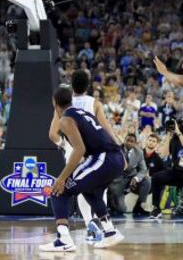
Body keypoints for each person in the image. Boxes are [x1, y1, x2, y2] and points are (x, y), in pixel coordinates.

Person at [40, 85, 126, 252]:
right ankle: (110, 231)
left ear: (54, 103)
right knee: (89, 190)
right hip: (115, 157)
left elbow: (79, 150)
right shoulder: (83, 113)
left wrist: (62, 178)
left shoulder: (66, 119)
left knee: (59, 190)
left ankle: (64, 239)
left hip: (104, 158)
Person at [109, 134, 151, 217]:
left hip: (131, 177)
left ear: (135, 143)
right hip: (118, 180)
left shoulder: (139, 152)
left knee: (147, 180)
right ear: (124, 140)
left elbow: (143, 169)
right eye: (127, 140)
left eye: (131, 141)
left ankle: (139, 206)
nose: (129, 143)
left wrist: (136, 178)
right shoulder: (116, 150)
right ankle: (112, 201)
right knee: (121, 210)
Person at [150, 119, 183, 219]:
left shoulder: (180, 136)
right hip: (176, 172)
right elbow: (164, 153)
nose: (175, 127)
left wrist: (178, 132)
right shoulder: (173, 139)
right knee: (156, 177)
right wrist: (168, 135)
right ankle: (157, 208)